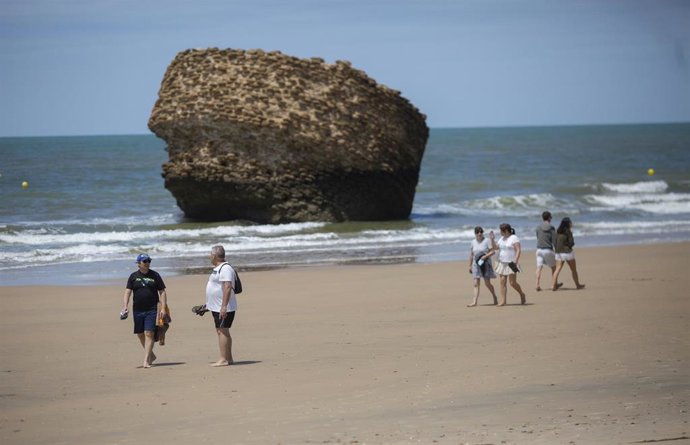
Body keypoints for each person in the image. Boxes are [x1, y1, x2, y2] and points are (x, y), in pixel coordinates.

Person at [122, 253, 168, 368]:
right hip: (137, 309)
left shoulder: (155, 275)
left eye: (149, 261)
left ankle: (146, 360)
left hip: (152, 309)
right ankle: (151, 355)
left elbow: (162, 292)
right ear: (138, 263)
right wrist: (125, 306)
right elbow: (128, 292)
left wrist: (163, 307)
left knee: (149, 333)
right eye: (145, 261)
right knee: (140, 333)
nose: (147, 263)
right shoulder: (133, 276)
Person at [206, 245, 238, 367]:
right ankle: (228, 358)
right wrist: (207, 305)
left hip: (224, 307)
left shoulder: (225, 268)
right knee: (221, 331)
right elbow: (216, 288)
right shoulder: (219, 268)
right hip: (217, 306)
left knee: (222, 331)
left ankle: (223, 359)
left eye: (210, 254)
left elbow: (227, 287)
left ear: (214, 256)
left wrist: (224, 306)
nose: (209, 256)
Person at [490, 223, 527, 306]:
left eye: (501, 230)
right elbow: (495, 248)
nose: (500, 232)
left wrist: (515, 260)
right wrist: (492, 239)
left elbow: (518, 250)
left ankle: (522, 294)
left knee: (512, 283)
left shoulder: (514, 238)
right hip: (502, 262)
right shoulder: (501, 238)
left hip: (512, 263)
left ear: (506, 231)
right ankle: (503, 301)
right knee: (502, 282)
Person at [467, 226, 498, 307]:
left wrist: (485, 256)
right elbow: (471, 254)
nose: (479, 233)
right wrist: (470, 265)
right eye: (477, 232)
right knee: (476, 283)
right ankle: (474, 302)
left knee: (487, 283)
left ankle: (494, 296)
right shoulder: (473, 242)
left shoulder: (487, 241)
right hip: (475, 264)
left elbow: (493, 252)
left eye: (481, 232)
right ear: (475, 233)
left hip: (485, 264)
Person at [551, 217, 585, 291]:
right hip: (567, 252)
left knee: (557, 270)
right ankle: (578, 285)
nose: (571, 223)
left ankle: (553, 285)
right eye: (570, 222)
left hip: (558, 253)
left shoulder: (557, 232)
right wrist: (569, 246)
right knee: (573, 270)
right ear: (568, 224)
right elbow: (571, 243)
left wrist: (557, 249)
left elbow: (554, 242)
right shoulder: (568, 232)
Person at [535, 211, 562, 291]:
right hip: (547, 249)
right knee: (554, 267)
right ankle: (554, 284)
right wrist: (557, 249)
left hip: (539, 250)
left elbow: (538, 237)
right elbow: (554, 240)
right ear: (549, 217)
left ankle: (537, 285)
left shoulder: (538, 227)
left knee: (539, 268)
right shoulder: (551, 227)